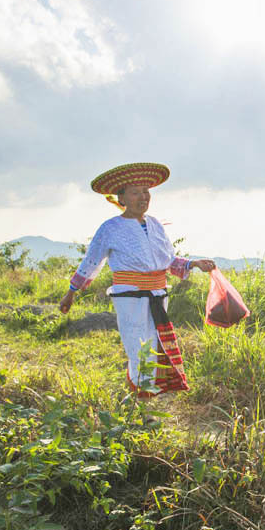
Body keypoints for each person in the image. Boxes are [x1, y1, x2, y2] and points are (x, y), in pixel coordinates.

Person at [59, 163, 215, 399]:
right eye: (135, 192)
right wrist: (71, 292)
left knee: (154, 344)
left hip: (158, 294)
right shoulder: (110, 228)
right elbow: (91, 262)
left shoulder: (155, 225)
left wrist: (194, 264)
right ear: (121, 197)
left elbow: (168, 261)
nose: (143, 197)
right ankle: (141, 403)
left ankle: (144, 398)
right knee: (137, 346)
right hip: (129, 296)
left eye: (146, 192)